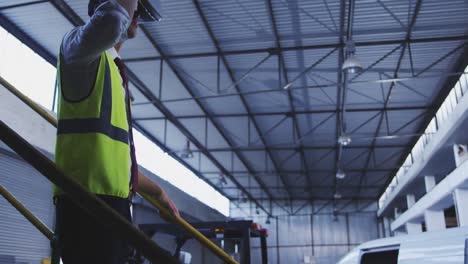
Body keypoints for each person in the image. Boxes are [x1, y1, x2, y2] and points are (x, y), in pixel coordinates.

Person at [54, 0, 179, 263]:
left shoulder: (114, 72)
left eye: (139, 11)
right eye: (135, 7)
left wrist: (156, 191)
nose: (136, 15)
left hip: (114, 205)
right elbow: (113, 17)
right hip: (86, 206)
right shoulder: (78, 52)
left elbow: (116, 161)